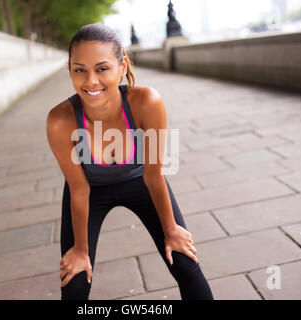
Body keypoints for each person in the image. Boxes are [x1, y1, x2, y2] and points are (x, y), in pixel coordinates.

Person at [46, 23, 214, 300]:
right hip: (89, 191)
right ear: (70, 69)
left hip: (143, 182)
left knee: (185, 262)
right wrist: (80, 250)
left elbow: (153, 175)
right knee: (74, 283)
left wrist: (171, 230)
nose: (91, 81)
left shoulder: (146, 102)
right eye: (80, 70)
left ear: (122, 65)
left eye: (102, 68)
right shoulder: (59, 120)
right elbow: (79, 190)